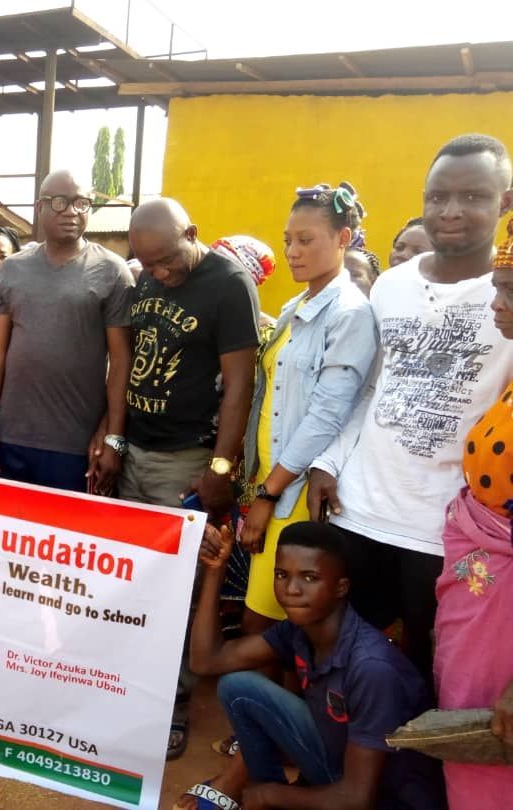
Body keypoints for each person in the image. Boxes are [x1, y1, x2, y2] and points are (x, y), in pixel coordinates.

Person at [309, 133, 513, 689]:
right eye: (437, 196)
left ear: (506, 202)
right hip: (360, 509)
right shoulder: (391, 286)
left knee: (431, 670)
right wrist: (329, 461)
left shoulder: (506, 296)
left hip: (445, 527)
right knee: (342, 659)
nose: (451, 212)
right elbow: (369, 388)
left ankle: (415, 778)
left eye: (473, 197)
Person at [123, 197, 260, 761]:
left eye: (165, 262)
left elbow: (240, 383)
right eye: (146, 265)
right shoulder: (148, 278)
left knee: (179, 589)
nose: (157, 274)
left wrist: (221, 467)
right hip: (134, 451)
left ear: (192, 234)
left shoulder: (227, 283)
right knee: (135, 582)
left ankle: (171, 704)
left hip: (186, 458)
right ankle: (128, 690)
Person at [177, 521, 442, 810]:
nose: (291, 589)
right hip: (337, 771)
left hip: (384, 800)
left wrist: (269, 795)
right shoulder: (298, 629)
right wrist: (216, 570)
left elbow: (357, 798)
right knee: (238, 688)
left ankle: (271, 798)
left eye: (309, 577)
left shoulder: (372, 667)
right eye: (281, 574)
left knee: (273, 791)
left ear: (341, 587)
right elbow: (207, 660)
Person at [239, 185, 379, 631]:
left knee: (265, 625)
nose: (292, 252)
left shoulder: (350, 314)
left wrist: (269, 494)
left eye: (306, 240)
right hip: (271, 482)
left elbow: (325, 415)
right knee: (277, 628)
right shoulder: (293, 307)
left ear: (343, 238)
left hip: (294, 495)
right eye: (287, 240)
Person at [0, 170, 133, 494]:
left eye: (81, 203)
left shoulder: (113, 271)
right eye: (60, 202)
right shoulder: (13, 268)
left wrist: (114, 436)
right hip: (10, 440)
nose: (71, 211)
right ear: (39, 207)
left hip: (78, 447)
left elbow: (121, 360)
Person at [432, 219, 513, 808]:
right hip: (483, 584)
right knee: (468, 730)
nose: (497, 305)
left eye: (512, 291)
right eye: (498, 287)